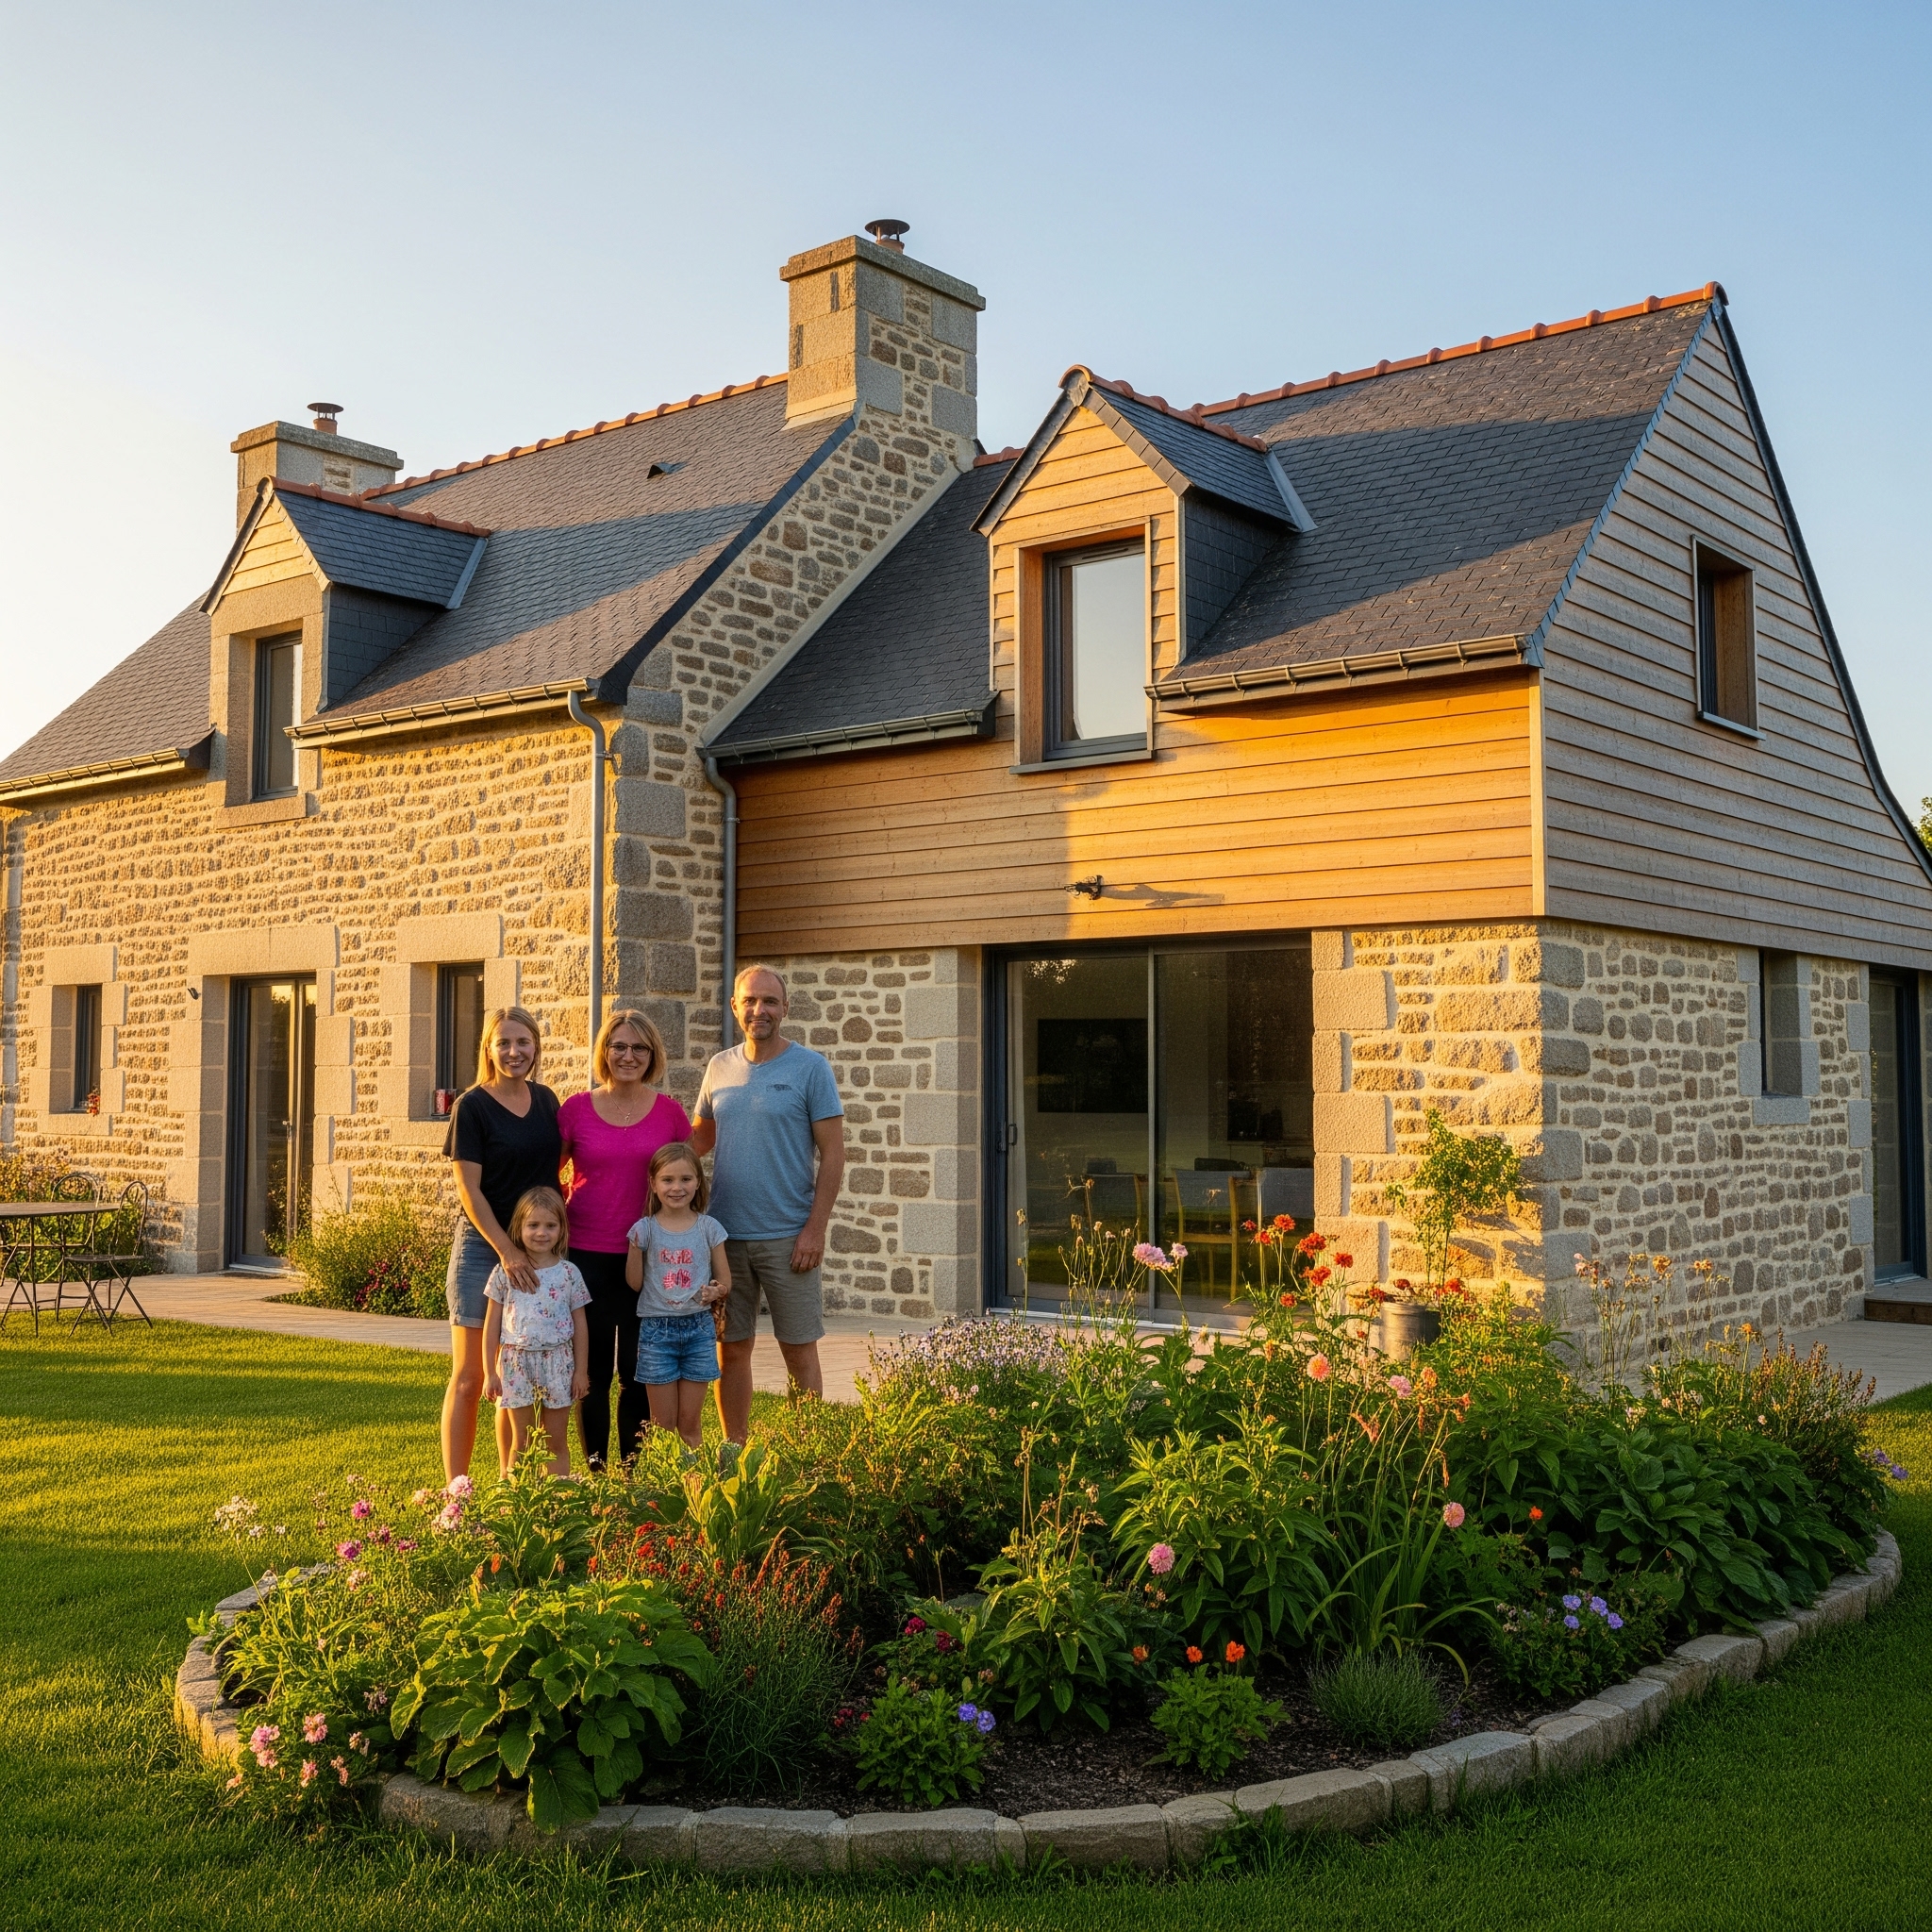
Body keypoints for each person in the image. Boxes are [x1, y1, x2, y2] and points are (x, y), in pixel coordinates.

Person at [689, 963, 845, 1444]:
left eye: (770, 1001)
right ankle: (735, 1449)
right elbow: (698, 1143)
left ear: (786, 1008)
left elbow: (834, 1154)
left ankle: (805, 1451)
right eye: (751, 1001)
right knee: (731, 1350)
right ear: (734, 1008)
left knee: (798, 1350)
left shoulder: (810, 1068)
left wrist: (815, 1230)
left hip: (789, 1238)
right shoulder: (719, 1067)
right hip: (725, 1239)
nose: (760, 1010)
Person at [558, 1009, 691, 1470]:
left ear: (652, 1055)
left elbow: (685, 1181)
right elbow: (550, 1179)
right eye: (619, 1046)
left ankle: (630, 1477)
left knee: (638, 1373)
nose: (628, 1056)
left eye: (639, 1048)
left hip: (648, 1259)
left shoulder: (670, 1114)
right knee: (592, 1373)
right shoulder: (575, 1109)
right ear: (605, 1052)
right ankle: (597, 1474)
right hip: (586, 1256)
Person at [441, 1006, 562, 1481]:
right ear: (488, 1049)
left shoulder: (547, 1101)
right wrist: (506, 1251)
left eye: (523, 1042)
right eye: (504, 1043)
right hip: (482, 1250)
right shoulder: (471, 1106)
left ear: (536, 1047)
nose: (514, 1051)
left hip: (538, 1253)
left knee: (517, 1378)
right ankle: (456, 1492)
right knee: (472, 1376)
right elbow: (468, 1190)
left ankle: (509, 1487)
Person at [625, 1142, 730, 1452]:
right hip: (657, 1333)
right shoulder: (645, 1229)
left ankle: (693, 1480)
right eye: (668, 1180)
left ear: (698, 1182)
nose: (677, 1187)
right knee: (662, 1426)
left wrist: (716, 1290)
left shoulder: (709, 1228)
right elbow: (635, 1284)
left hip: (698, 1330)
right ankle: (664, 1481)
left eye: (685, 1179)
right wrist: (635, 1249)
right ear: (654, 1184)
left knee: (690, 1425)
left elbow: (725, 1280)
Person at [480, 1188, 591, 1475]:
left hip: (558, 1362)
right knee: (522, 1442)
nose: (541, 1233)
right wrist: (490, 1372)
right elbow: (491, 1325)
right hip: (516, 1362)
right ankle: (518, 1498)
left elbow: (580, 1326)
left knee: (555, 1442)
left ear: (561, 1229)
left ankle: (557, 1497)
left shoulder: (569, 1274)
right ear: (519, 1227)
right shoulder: (505, 1272)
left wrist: (581, 1371)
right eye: (533, 1225)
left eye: (550, 1225)